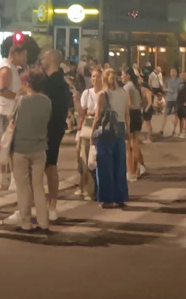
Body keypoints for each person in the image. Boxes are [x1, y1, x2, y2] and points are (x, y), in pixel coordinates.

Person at [9, 73, 53, 232]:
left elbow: (12, 120)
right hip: (40, 146)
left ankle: (26, 222)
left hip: (20, 147)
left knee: (23, 187)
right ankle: (44, 222)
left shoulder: (21, 101)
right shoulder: (47, 101)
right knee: (38, 186)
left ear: (28, 83)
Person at [92, 68, 130, 209]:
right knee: (119, 164)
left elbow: (97, 116)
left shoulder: (103, 94)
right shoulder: (123, 93)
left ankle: (107, 198)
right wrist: (128, 129)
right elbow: (126, 114)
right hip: (120, 128)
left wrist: (92, 134)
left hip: (106, 130)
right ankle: (120, 196)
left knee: (105, 165)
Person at [42, 50, 72, 221]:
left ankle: (52, 205)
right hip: (53, 128)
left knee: (49, 167)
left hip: (50, 129)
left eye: (45, 57)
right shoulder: (58, 81)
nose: (42, 60)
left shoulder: (55, 82)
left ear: (52, 59)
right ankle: (47, 205)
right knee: (46, 167)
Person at [0, 44, 26, 191]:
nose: (25, 59)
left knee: (9, 146)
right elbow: (2, 91)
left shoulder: (12, 67)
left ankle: (7, 179)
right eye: (24, 55)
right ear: (17, 54)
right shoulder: (6, 68)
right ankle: (6, 179)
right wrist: (18, 96)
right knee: (7, 145)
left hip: (10, 111)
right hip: (6, 112)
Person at [75, 68, 103, 200]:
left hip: (101, 126)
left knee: (98, 158)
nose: (95, 79)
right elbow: (83, 112)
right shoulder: (87, 93)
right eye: (93, 77)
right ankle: (89, 189)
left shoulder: (104, 93)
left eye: (97, 76)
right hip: (88, 127)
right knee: (86, 158)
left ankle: (98, 188)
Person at [122, 68, 145, 181]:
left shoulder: (127, 87)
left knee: (130, 145)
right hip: (137, 113)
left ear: (128, 76)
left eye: (122, 74)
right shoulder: (136, 86)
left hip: (131, 114)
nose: (121, 77)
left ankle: (132, 171)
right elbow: (142, 101)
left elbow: (128, 103)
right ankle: (138, 168)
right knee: (135, 142)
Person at [160, 68, 182, 136]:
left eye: (174, 72)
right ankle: (161, 129)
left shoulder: (179, 80)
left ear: (176, 73)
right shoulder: (168, 80)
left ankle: (174, 130)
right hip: (169, 99)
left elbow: (181, 88)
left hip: (176, 99)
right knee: (165, 114)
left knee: (176, 115)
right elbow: (163, 88)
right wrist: (167, 89)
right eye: (171, 72)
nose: (172, 73)